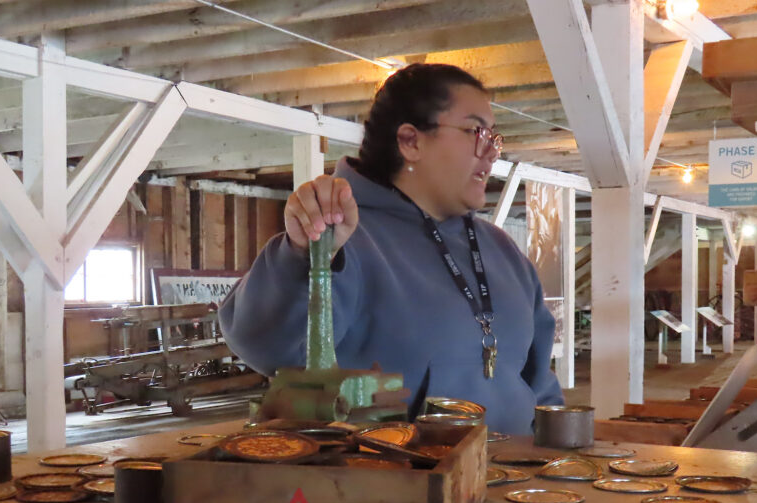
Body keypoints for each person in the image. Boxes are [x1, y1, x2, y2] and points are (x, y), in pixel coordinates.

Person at [218, 63, 563, 435]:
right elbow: (269, 346)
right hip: (404, 483)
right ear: (410, 141)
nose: (490, 152)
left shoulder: (502, 251)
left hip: (515, 483)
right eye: (474, 131)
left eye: (493, 137)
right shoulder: (346, 238)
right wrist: (305, 252)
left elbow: (538, 381)